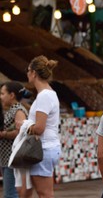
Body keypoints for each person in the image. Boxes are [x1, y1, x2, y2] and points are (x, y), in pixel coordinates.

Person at [25, 55, 61, 197]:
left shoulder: (44, 96)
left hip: (43, 149)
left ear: (34, 73)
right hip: (47, 148)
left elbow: (39, 128)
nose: (27, 73)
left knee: (44, 193)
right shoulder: (48, 93)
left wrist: (25, 126)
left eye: (28, 70)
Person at [0, 82, 29, 198]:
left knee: (10, 193)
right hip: (6, 157)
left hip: (12, 158)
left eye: (2, 93)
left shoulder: (18, 111)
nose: (0, 96)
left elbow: (20, 133)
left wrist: (3, 134)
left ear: (11, 95)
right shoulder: (11, 110)